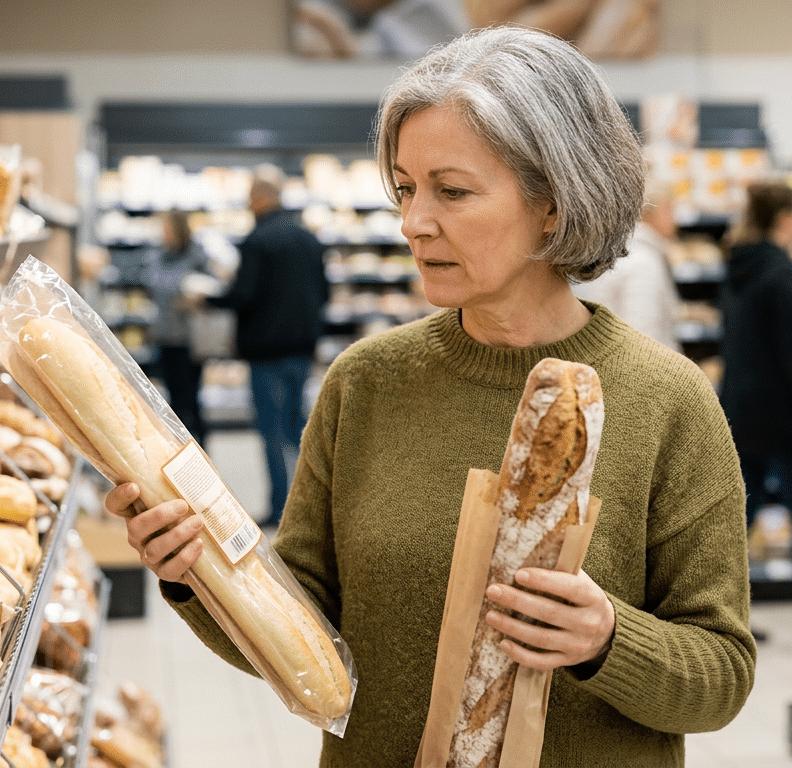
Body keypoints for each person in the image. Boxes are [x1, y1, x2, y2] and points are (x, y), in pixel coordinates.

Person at [108, 26, 755, 767]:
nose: (414, 223)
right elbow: (300, 635)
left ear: (554, 201)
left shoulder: (668, 401)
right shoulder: (365, 383)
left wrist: (606, 639)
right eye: (406, 189)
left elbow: (722, 675)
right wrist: (197, 574)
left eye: (452, 191)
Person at [718, 181, 792, 630]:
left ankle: (716, 614)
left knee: (734, 522)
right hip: (783, 416)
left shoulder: (738, 264)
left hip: (739, 411)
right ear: (785, 217)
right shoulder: (781, 271)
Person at [206, 176, 329, 527]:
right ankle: (312, 507)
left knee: (272, 431)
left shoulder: (257, 241)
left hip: (266, 352)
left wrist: (209, 299)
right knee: (299, 428)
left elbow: (244, 296)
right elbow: (324, 292)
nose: (247, 203)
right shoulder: (308, 238)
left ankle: (280, 509)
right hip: (302, 348)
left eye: (250, 196)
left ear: (262, 198)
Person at [572, 184, 682, 350]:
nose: (675, 221)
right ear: (647, 212)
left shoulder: (618, 250)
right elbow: (644, 336)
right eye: (669, 210)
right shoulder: (642, 263)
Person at [141, 210, 212, 446]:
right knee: (172, 400)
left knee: (190, 399)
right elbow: (150, 284)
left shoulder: (196, 256)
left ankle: (199, 448)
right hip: (164, 336)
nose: (164, 232)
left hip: (190, 340)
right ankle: (178, 448)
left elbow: (211, 289)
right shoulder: (158, 256)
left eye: (167, 227)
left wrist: (196, 298)